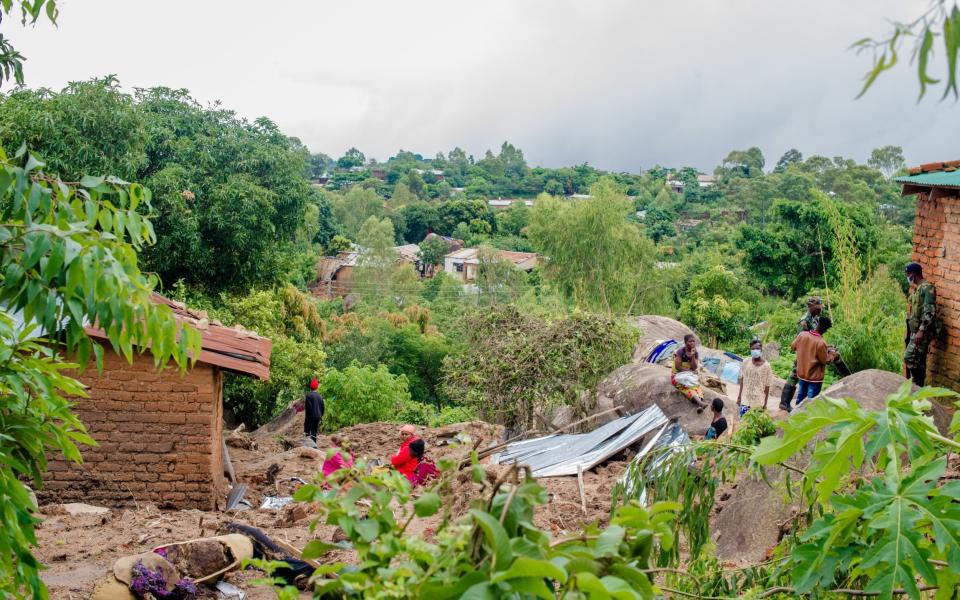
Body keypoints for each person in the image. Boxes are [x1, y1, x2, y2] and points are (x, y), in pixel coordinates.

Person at [779, 297, 823, 412]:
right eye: (817, 308)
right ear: (810, 307)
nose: (820, 310)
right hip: (804, 353)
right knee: (795, 374)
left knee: (798, 375)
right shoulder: (804, 321)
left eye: (820, 308)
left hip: (811, 353)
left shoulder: (816, 319)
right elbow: (800, 340)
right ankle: (784, 403)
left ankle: (787, 403)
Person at [789, 316, 836, 409]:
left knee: (800, 399)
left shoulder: (802, 335)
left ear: (818, 323)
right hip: (814, 379)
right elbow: (825, 360)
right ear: (825, 329)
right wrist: (832, 353)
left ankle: (795, 418)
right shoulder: (821, 342)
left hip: (802, 374)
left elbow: (793, 346)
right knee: (811, 403)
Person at [904, 262, 937, 386]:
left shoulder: (927, 288)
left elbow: (930, 312)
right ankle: (919, 387)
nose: (907, 277)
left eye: (908, 274)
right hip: (916, 331)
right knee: (919, 361)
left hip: (922, 332)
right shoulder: (917, 289)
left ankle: (917, 383)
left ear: (914, 274)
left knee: (909, 357)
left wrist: (921, 331)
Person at [672, 334, 708, 412]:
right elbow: (677, 366)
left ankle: (700, 405)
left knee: (696, 386)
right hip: (678, 375)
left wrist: (692, 356)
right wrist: (690, 371)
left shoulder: (695, 353)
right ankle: (700, 403)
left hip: (688, 375)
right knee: (688, 386)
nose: (692, 343)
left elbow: (694, 367)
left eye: (693, 341)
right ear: (685, 342)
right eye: (690, 341)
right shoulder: (681, 351)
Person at [737, 340, 772, 416]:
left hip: (758, 402)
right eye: (752, 349)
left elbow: (767, 386)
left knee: (754, 426)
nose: (755, 351)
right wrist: (739, 397)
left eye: (757, 349)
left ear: (761, 349)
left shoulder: (767, 366)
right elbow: (743, 380)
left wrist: (765, 404)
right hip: (745, 400)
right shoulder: (746, 362)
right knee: (743, 424)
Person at [303, 377, 324, 443]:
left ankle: (309, 445)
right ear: (317, 387)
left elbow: (308, 409)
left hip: (311, 416)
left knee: (307, 431)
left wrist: (307, 419)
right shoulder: (320, 396)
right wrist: (321, 416)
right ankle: (314, 444)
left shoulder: (308, 396)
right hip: (318, 416)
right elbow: (323, 408)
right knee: (314, 431)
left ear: (310, 387)